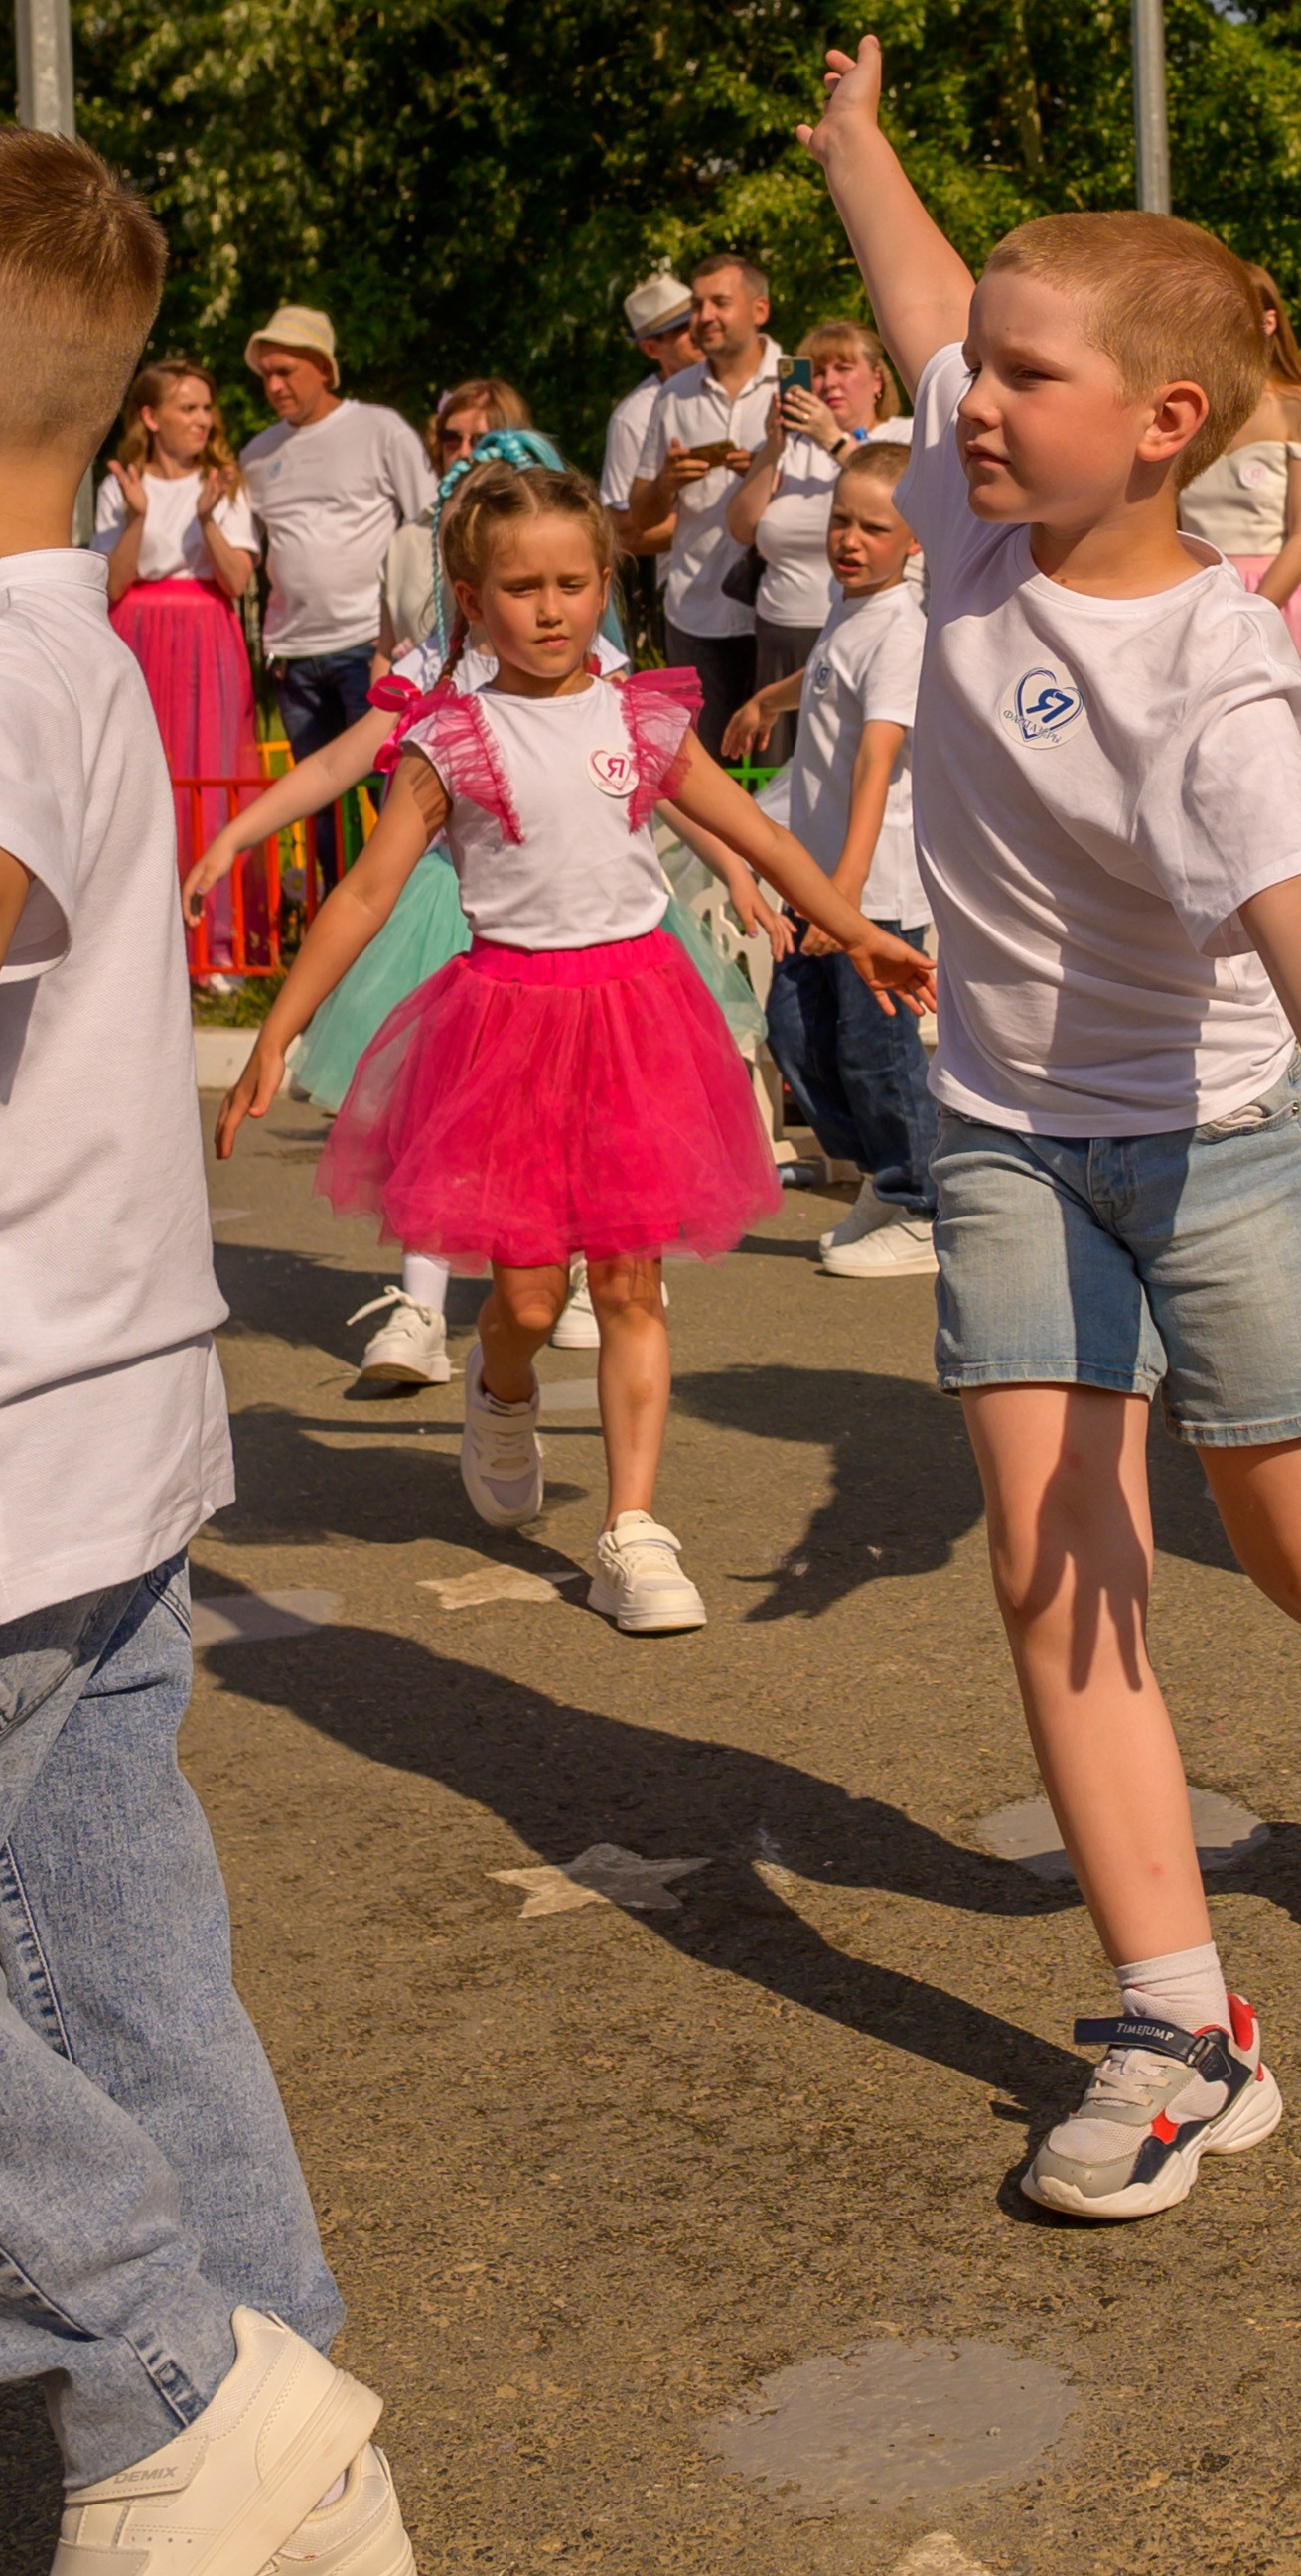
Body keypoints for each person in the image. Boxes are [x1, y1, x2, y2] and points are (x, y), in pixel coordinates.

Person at [800, 32, 1301, 2224]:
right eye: (978, 379)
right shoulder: (972, 510)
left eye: (1026, 378)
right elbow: (927, 305)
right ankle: (1179, 2021)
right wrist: (854, 144)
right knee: (1054, 1559)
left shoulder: (1211, 668)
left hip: (1214, 1148)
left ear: (1162, 429)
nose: (967, 400)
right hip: (1006, 1132)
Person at [0, 126, 410, 2569]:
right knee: (110, 1954)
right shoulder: (59, 623)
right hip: (96, 1417)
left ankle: (171, 2377)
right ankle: (286, 2430)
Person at [219, 458, 933, 1634]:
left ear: (607, 582)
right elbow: (360, 894)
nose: (549, 610)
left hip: (637, 1011)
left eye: (571, 583)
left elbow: (754, 831)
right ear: (469, 596)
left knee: (631, 1280)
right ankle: (500, 1394)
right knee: (531, 1296)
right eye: (519, 587)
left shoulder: (643, 717)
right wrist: (277, 1033)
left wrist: (857, 934)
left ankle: (633, 1528)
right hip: (505, 1021)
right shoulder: (451, 738)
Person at [724, 438, 940, 1278]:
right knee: (795, 1032)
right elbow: (826, 672)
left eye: (874, 528)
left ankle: (922, 1201)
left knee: (873, 1050)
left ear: (913, 539)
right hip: (815, 878)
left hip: (869, 884)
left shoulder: (903, 631)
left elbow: (875, 760)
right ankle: (883, 1179)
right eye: (840, 521)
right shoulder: (852, 609)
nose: (850, 539)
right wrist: (767, 698)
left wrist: (844, 893)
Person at [238, 305, 435, 885]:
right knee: (316, 806)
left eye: (286, 371)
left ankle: (401, 926)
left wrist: (401, 639)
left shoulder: (380, 430)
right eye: (266, 375)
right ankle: (334, 924)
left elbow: (426, 526)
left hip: (367, 649)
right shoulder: (256, 455)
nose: (274, 386)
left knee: (390, 796)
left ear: (323, 368)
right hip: (294, 655)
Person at [93, 359, 265, 970]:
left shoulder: (223, 484)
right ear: (150, 416)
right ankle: (138, 949)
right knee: (140, 780)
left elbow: (239, 578)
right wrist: (138, 518)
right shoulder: (122, 483)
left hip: (204, 635)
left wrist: (206, 517)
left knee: (208, 772)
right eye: (186, 407)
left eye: (204, 407)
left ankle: (213, 945)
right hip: (137, 633)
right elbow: (112, 583)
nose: (201, 419)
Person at [1177, 268, 1301, 738]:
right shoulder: (1184, 408)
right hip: (1194, 602)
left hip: (1280, 604)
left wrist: (1247, 615)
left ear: (1269, 321)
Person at [721, 318, 910, 761]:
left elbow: (908, 505)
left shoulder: (903, 435)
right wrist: (772, 448)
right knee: (780, 775)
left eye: (843, 369)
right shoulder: (790, 448)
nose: (829, 383)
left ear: (877, 380)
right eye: (818, 373)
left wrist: (833, 438)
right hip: (781, 635)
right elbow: (741, 527)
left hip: (867, 632)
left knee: (846, 765)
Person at [623, 252, 783, 745]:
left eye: (719, 302)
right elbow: (639, 515)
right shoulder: (675, 394)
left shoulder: (798, 380)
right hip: (697, 610)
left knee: (781, 771)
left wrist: (766, 469)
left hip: (781, 607)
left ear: (759, 311)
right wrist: (667, 481)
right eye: (697, 304)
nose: (704, 316)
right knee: (709, 772)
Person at [379, 376, 530, 655]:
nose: (463, 452)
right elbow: (383, 654)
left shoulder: (536, 531)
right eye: (451, 439)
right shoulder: (406, 540)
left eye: (480, 440)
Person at [602, 269, 701, 653]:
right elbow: (619, 528)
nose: (699, 333)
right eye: (681, 329)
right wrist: (707, 524)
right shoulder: (635, 416)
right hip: (686, 595)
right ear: (650, 348)